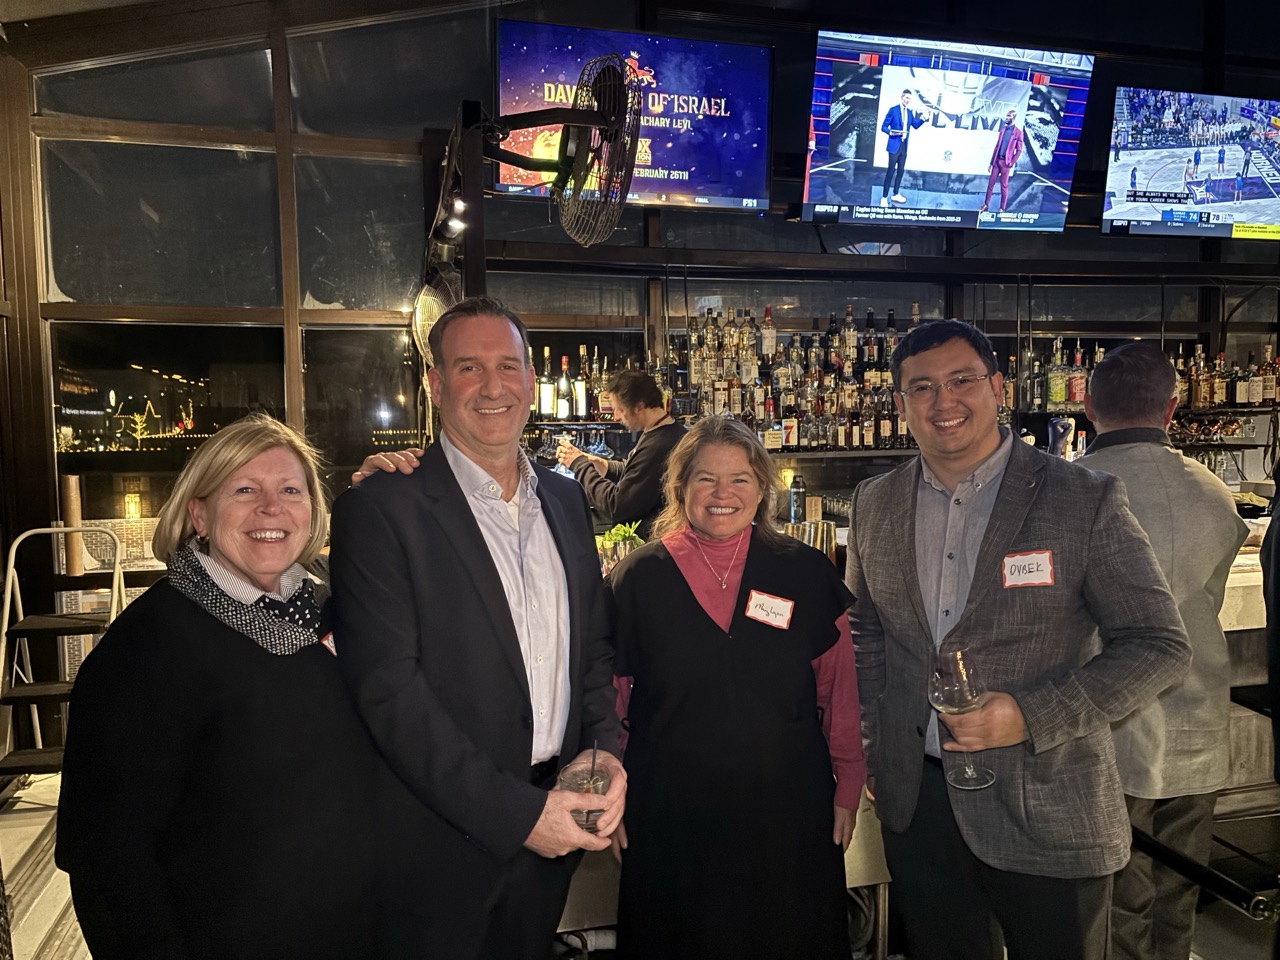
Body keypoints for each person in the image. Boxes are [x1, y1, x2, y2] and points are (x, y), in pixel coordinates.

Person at [845, 319, 1191, 960]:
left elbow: (1158, 644)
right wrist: (872, 743)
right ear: (899, 403)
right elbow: (866, 635)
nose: (943, 401)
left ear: (998, 387)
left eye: (962, 380)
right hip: (919, 804)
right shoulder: (875, 502)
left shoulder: (1081, 497)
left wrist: (1031, 715)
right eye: (922, 387)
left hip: (1048, 799)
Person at [56, 414, 421, 959]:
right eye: (244, 490)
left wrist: (389, 503)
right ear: (199, 514)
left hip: (361, 933)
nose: (271, 508)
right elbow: (105, 855)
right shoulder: (145, 648)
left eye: (290, 491)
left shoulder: (332, 611)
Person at [328, 296, 625, 960]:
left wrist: (601, 756)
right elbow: (389, 694)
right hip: (437, 846)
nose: (493, 387)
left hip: (555, 833)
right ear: (435, 384)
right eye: (469, 368)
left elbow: (592, 653)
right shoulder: (380, 508)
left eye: (508, 366)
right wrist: (519, 818)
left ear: (530, 380)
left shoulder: (566, 498)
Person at [609, 415, 863, 960]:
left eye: (739, 479)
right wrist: (610, 796)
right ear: (680, 487)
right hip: (670, 813)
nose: (722, 494)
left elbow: (838, 690)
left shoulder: (805, 572)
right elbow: (615, 702)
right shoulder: (636, 579)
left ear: (762, 488)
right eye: (706, 478)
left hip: (787, 810)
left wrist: (849, 781)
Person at [1078, 342, 1246, 960]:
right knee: (1181, 887)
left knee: (1120, 893)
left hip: (1112, 718)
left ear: (1088, 406)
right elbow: (1213, 598)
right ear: (1172, 408)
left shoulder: (1073, 488)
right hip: (1199, 708)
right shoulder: (1213, 492)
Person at [555, 368, 686, 540]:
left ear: (639, 407)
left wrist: (579, 465)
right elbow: (636, 472)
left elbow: (616, 506)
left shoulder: (660, 445)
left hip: (652, 543)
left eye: (620, 410)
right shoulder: (662, 430)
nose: (616, 417)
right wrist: (604, 465)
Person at [880, 88, 932, 207]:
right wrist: (890, 132)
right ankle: (884, 197)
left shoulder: (909, 112)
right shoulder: (893, 110)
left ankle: (895, 194)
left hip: (904, 146)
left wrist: (924, 118)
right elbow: (883, 127)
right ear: (902, 97)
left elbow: (915, 125)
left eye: (910, 99)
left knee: (900, 171)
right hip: (894, 145)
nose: (908, 100)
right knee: (890, 171)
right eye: (906, 98)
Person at [980, 107, 1024, 214]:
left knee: (1004, 186)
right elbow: (997, 147)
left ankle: (1002, 208)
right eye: (1006, 116)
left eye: (1009, 116)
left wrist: (1011, 162)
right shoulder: (1003, 130)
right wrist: (991, 162)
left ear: (1013, 118)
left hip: (1005, 163)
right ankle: (986, 204)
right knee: (990, 184)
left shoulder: (1018, 133)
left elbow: (1019, 150)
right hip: (996, 161)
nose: (1006, 118)